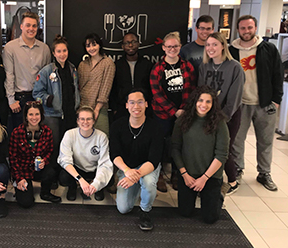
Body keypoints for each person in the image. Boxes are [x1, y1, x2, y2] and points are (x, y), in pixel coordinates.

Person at [229, 15, 284, 191]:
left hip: (264, 103)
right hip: (240, 104)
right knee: (237, 140)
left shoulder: (268, 49)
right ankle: (237, 169)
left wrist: (276, 100)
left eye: (250, 28)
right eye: (243, 28)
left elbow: (278, 75)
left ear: (255, 28)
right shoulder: (231, 50)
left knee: (265, 140)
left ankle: (264, 172)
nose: (246, 31)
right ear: (238, 29)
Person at [172, 85, 229, 224]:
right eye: (200, 100)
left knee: (210, 218)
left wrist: (204, 178)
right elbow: (175, 148)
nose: (203, 105)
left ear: (213, 104)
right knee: (185, 212)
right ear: (194, 101)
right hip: (188, 175)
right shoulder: (183, 120)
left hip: (210, 176)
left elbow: (221, 155)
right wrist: (184, 174)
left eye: (208, 101)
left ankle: (219, 194)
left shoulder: (220, 123)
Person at [110, 89, 164, 231]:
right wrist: (128, 171)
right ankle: (142, 190)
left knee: (148, 182)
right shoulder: (117, 125)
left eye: (140, 102)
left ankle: (145, 211)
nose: (136, 106)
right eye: (132, 103)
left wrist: (136, 176)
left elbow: (154, 159)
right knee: (123, 208)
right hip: (127, 168)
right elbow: (114, 154)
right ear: (127, 105)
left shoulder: (156, 127)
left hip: (147, 167)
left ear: (146, 104)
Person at [198, 32, 245, 195]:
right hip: (208, 114)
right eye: (208, 45)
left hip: (228, 116)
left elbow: (234, 99)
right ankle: (211, 179)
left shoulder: (235, 67)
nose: (210, 48)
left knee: (224, 149)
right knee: (209, 147)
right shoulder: (204, 66)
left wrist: (221, 119)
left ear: (223, 46)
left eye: (214, 44)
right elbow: (201, 92)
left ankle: (232, 181)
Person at [150, 31, 196, 192]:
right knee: (161, 144)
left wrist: (183, 110)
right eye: (169, 46)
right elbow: (156, 93)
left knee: (180, 144)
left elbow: (191, 90)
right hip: (162, 114)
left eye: (175, 46)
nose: (172, 49)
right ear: (163, 48)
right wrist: (173, 111)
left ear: (180, 46)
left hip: (183, 113)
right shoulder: (157, 68)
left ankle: (177, 174)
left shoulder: (187, 66)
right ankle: (160, 174)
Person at [32, 34, 80, 186]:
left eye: (64, 51)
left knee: (68, 147)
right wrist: (48, 100)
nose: (62, 54)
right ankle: (51, 177)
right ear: (53, 53)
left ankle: (66, 176)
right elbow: (36, 94)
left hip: (70, 114)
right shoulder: (47, 71)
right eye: (58, 51)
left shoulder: (73, 69)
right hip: (52, 115)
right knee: (53, 147)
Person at [3, 11, 51, 131]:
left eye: (34, 26)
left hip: (38, 98)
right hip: (19, 100)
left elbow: (47, 77)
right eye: (28, 25)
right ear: (21, 27)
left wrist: (45, 100)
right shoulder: (10, 47)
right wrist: (11, 100)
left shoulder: (44, 49)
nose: (31, 29)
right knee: (19, 137)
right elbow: (9, 75)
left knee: (38, 136)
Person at [9, 101, 61, 207]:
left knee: (51, 171)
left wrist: (44, 161)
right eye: (31, 114)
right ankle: (20, 186)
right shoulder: (17, 132)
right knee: (26, 203)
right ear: (26, 116)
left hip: (38, 168)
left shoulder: (47, 131)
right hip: (22, 171)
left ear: (41, 115)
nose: (34, 117)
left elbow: (50, 151)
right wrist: (19, 178)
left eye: (37, 114)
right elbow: (13, 158)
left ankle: (45, 193)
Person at [58, 106, 113, 201]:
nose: (85, 122)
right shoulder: (70, 134)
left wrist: (96, 184)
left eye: (89, 119)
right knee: (63, 177)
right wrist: (80, 179)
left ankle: (99, 188)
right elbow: (65, 160)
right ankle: (73, 186)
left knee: (110, 179)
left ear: (93, 121)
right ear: (78, 121)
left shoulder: (101, 137)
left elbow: (105, 163)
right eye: (82, 119)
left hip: (95, 170)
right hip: (78, 169)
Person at [78, 33, 115, 136]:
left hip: (99, 108)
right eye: (88, 46)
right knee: (82, 139)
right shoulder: (83, 64)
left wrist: (97, 109)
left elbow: (105, 88)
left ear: (99, 45)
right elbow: (79, 87)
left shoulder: (108, 63)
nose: (91, 48)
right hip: (83, 107)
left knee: (102, 138)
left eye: (94, 44)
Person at [110, 32, 152, 121]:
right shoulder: (116, 65)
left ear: (138, 44)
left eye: (133, 42)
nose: (130, 45)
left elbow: (151, 88)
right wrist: (115, 109)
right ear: (122, 46)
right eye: (127, 43)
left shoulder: (147, 65)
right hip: (122, 108)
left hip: (143, 108)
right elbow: (113, 89)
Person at [180, 15, 215, 81]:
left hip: (212, 89)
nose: (205, 31)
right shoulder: (185, 50)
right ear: (196, 29)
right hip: (192, 89)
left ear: (212, 30)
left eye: (208, 29)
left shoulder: (217, 50)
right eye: (202, 28)